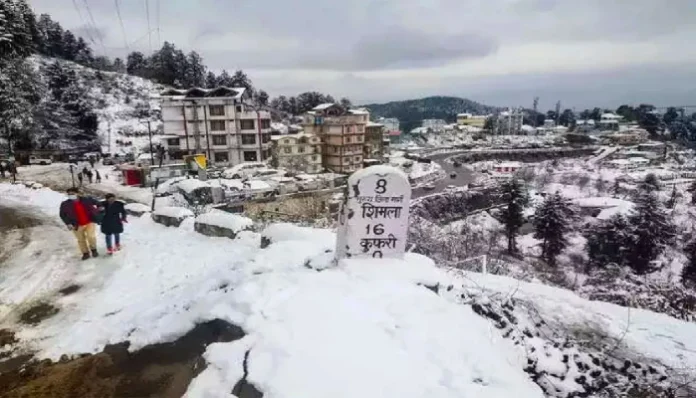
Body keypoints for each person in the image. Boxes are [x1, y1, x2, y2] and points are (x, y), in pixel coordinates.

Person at [59, 188, 100, 260]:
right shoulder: (65, 204)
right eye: (69, 194)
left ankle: (94, 250)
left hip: (89, 222)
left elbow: (97, 203)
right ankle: (85, 253)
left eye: (72, 194)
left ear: (77, 193)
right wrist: (68, 223)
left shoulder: (86, 199)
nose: (70, 195)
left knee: (91, 237)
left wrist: (100, 208)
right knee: (81, 239)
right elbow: (62, 215)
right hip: (76, 225)